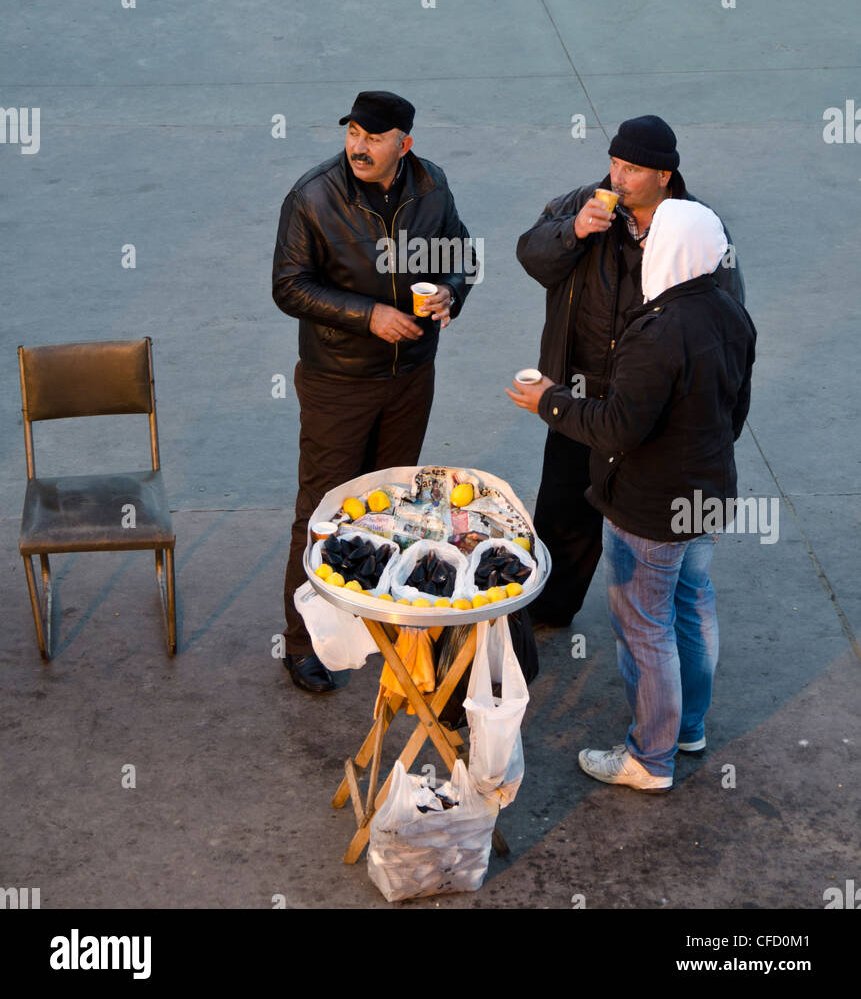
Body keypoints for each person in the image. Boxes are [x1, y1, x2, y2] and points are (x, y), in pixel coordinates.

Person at [507, 198, 756, 790]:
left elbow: (616, 427)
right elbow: (736, 411)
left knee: (645, 627)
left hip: (650, 505)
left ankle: (650, 758)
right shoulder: (731, 313)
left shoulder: (652, 332)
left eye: (652, 241)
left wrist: (550, 401)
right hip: (711, 492)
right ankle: (689, 728)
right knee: (693, 604)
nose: (642, 248)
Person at [272, 91, 475, 692]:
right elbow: (288, 285)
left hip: (411, 375)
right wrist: (368, 316)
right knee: (322, 507)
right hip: (339, 379)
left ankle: (375, 623)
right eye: (353, 132)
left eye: (374, 137)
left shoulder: (432, 186)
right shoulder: (313, 197)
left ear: (403, 145)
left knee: (388, 502)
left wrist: (450, 294)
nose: (358, 146)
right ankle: (303, 641)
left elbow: (458, 253)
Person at [516, 115, 745, 629]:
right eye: (614, 163)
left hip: (649, 403)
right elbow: (531, 255)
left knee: (644, 527)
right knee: (563, 512)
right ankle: (550, 611)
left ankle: (655, 622)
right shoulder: (583, 205)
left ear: (664, 176)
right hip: (580, 394)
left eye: (633, 168)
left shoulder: (695, 227)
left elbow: (726, 316)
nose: (617, 178)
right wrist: (573, 233)